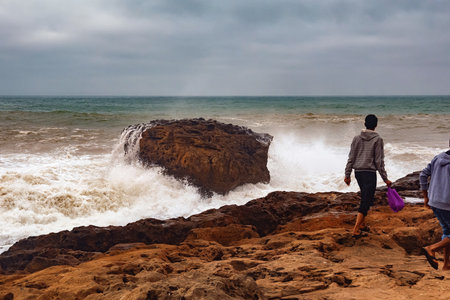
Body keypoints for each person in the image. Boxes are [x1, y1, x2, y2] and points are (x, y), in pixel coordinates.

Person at [344, 114, 392, 237]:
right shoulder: (378, 139)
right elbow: (379, 161)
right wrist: (385, 179)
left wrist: (347, 174)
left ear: (365, 124)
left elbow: (351, 157)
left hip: (358, 173)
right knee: (366, 200)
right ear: (376, 125)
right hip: (369, 174)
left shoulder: (356, 138)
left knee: (365, 197)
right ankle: (355, 229)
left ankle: (362, 225)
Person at [420, 144, 450, 270]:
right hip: (447, 204)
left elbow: (423, 175)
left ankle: (446, 265)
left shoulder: (437, 158)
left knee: (447, 232)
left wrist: (426, 197)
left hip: (434, 202)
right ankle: (431, 248)